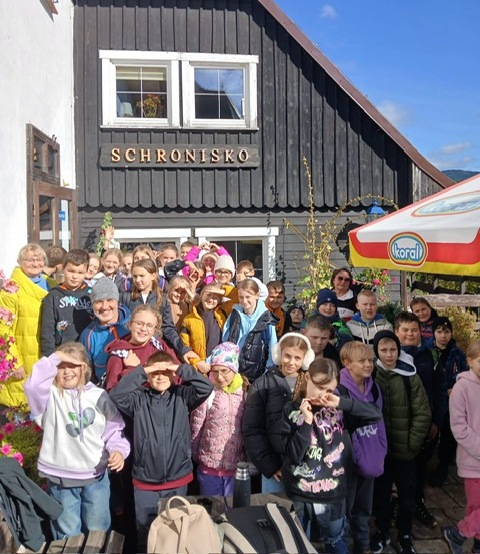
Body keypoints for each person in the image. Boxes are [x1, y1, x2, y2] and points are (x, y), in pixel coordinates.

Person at [109, 350, 213, 553]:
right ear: (148, 375)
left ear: (173, 375)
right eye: (155, 373)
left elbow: (205, 387)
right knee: (146, 532)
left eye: (165, 373)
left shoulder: (182, 395)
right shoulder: (138, 399)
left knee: (176, 530)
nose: (160, 377)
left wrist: (178, 367)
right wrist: (144, 370)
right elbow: (116, 395)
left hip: (178, 478)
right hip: (145, 481)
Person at [24, 342, 130, 539]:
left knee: (98, 529)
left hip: (95, 476)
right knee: (67, 532)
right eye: (61, 367)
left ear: (84, 368)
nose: (67, 371)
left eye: (72, 365)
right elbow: (32, 385)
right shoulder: (49, 396)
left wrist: (118, 450)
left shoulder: (98, 396)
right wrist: (55, 357)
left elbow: (114, 429)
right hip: (60, 478)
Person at [280, 357, 382, 554]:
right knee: (300, 544)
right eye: (319, 387)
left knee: (335, 541)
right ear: (307, 378)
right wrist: (306, 422)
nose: (322, 395)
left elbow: (375, 414)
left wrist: (342, 402)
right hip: (300, 493)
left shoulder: (340, 410)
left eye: (329, 390)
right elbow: (293, 455)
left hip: (333, 495)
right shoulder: (291, 410)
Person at [370, 330, 431, 554]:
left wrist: (411, 444)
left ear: (399, 350)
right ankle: (382, 531)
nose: (389, 355)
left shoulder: (409, 376)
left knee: (407, 496)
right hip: (381, 452)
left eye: (393, 350)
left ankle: (405, 533)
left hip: (405, 451)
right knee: (381, 495)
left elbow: (422, 412)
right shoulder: (371, 375)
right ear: (376, 351)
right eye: (384, 350)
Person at [242, 332, 315, 493]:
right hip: (276, 465)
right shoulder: (263, 384)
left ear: (305, 359)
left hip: (306, 466)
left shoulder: (310, 384)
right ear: (278, 354)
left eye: (297, 358)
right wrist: (270, 465)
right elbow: (252, 429)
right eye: (287, 356)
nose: (291, 362)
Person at [395, 311, 447, 527]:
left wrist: (437, 421)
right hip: (398, 423)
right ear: (396, 332)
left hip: (425, 423)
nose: (410, 334)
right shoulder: (390, 354)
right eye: (405, 330)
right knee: (400, 469)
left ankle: (418, 501)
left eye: (414, 330)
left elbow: (440, 388)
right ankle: (399, 504)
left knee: (420, 466)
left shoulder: (430, 355)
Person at [337, 341, 387, 554]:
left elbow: (379, 421)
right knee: (345, 507)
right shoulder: (339, 390)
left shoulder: (374, 388)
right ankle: (342, 547)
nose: (368, 365)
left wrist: (381, 450)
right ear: (347, 363)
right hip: (348, 459)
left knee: (364, 506)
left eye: (370, 360)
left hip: (371, 454)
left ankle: (363, 545)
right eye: (362, 361)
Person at [0, 244, 56, 408]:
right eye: (29, 260)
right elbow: (3, 329)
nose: (35, 263)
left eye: (39, 259)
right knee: (22, 408)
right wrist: (13, 361)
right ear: (19, 261)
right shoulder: (10, 289)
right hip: (22, 358)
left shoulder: (52, 285)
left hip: (45, 354)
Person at [190, 342, 248, 496]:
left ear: (234, 369)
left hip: (235, 468)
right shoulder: (208, 392)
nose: (219, 377)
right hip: (209, 468)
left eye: (224, 371)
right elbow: (196, 427)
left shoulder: (245, 393)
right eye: (215, 371)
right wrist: (197, 456)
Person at [442, 339, 480, 554]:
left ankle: (467, 539)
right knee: (476, 507)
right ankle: (458, 533)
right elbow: (459, 427)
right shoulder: (462, 387)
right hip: (473, 461)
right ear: (470, 361)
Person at [430, 317, 468, 487]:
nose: (443, 335)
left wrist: (455, 388)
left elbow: (465, 374)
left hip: (452, 400)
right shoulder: (428, 351)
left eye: (446, 331)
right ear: (433, 333)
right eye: (439, 331)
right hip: (434, 398)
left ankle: (443, 464)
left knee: (448, 434)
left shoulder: (457, 354)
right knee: (431, 432)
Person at [104, 304, 178, 392]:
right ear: (130, 325)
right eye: (139, 323)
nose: (143, 329)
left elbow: (178, 373)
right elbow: (112, 391)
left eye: (149, 325)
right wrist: (132, 369)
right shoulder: (119, 354)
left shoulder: (159, 345)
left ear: (154, 330)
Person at [222, 278, 278, 382]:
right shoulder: (235, 313)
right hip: (234, 369)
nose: (244, 301)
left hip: (257, 372)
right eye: (241, 297)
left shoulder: (266, 318)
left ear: (257, 295)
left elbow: (273, 346)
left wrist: (268, 370)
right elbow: (225, 340)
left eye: (248, 297)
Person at [40, 249, 92, 356]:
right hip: (62, 353)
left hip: (87, 353)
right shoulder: (53, 296)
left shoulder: (91, 295)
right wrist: (50, 358)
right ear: (63, 268)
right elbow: (47, 332)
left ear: (86, 272)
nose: (75, 276)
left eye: (80, 272)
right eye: (71, 271)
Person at [80, 276, 130, 382]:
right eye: (98, 301)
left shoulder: (134, 324)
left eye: (109, 300)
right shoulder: (88, 335)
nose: (104, 306)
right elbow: (86, 373)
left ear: (117, 301)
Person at [180, 284, 229, 374]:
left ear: (219, 300)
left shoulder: (223, 315)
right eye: (208, 295)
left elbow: (237, 296)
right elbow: (185, 345)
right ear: (201, 295)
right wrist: (196, 362)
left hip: (219, 368)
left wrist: (223, 291)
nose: (210, 299)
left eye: (215, 297)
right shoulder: (188, 320)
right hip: (199, 369)